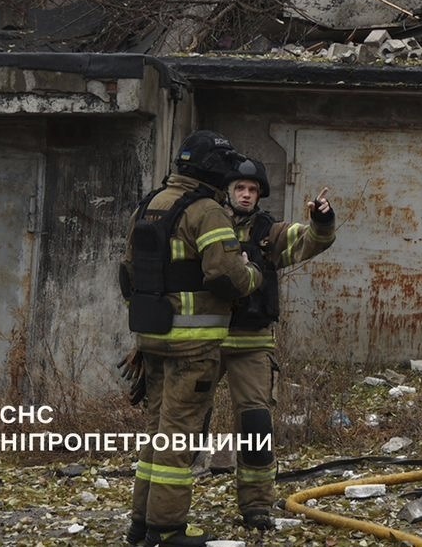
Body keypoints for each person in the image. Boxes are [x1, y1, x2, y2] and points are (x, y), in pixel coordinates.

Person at [122, 130, 261, 547]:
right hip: (193, 344)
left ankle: (141, 525)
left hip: (153, 338)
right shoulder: (205, 212)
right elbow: (227, 275)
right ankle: (167, 530)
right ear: (212, 169)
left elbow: (128, 272)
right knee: (178, 438)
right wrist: (252, 273)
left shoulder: (150, 205)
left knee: (157, 433)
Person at [214, 158, 337, 530]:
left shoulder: (269, 233)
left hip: (251, 340)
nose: (247, 195)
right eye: (241, 189)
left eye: (253, 190)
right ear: (228, 191)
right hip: (203, 337)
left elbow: (311, 241)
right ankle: (171, 508)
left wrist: (322, 219)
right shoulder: (207, 223)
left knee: (256, 422)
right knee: (189, 422)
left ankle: (255, 506)